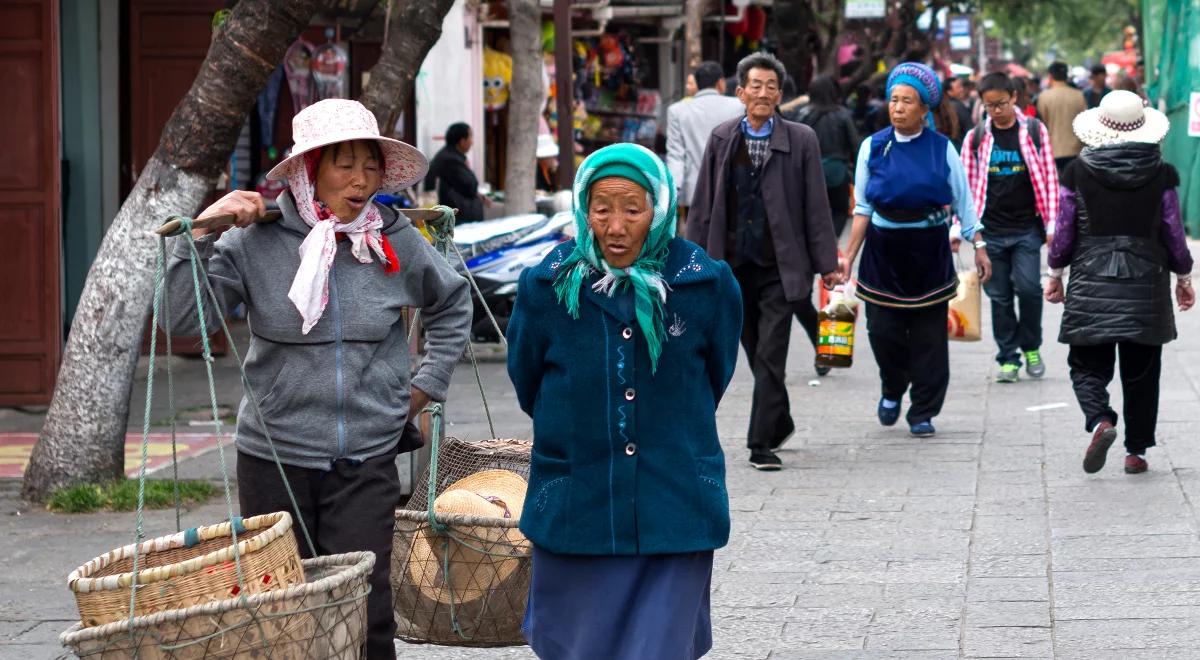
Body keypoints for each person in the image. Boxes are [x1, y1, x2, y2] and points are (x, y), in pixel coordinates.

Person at [162, 99, 472, 659]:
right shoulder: (256, 239)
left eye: (370, 166)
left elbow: (452, 304)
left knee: (366, 609)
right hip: (273, 456)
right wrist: (206, 231)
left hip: (366, 455)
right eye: (343, 165)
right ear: (310, 171)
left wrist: (424, 387)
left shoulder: (393, 238)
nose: (360, 181)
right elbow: (182, 319)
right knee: (282, 611)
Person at [507, 143, 742, 659]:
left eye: (633, 210)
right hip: (578, 504)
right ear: (582, 210)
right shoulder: (546, 287)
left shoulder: (705, 284)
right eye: (602, 209)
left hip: (673, 504)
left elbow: (714, 377)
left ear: (659, 209)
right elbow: (528, 382)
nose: (616, 227)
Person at [687, 52, 841, 470]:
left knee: (772, 354)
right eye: (755, 85)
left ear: (779, 94)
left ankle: (760, 444)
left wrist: (828, 261)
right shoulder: (722, 138)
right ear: (739, 92)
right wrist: (691, 260)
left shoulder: (801, 139)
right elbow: (703, 205)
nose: (763, 92)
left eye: (771, 86)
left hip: (782, 266)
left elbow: (816, 205)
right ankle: (782, 419)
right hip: (733, 267)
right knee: (756, 354)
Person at [1044, 90, 1194, 475]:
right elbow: (1173, 231)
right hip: (1146, 283)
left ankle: (1100, 421)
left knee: (1086, 365)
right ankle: (1136, 452)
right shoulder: (1161, 175)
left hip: (1092, 281)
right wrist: (1184, 277)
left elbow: (1063, 231)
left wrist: (1055, 274)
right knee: (1142, 371)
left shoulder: (1077, 172)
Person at [840, 62, 992, 438]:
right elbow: (862, 209)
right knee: (883, 332)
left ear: (924, 109)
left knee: (929, 339)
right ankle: (893, 388)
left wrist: (979, 244)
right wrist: (847, 257)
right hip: (883, 253)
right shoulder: (872, 147)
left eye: (907, 101)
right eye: (894, 100)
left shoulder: (941, 149)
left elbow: (963, 200)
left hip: (928, 250)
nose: (898, 107)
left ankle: (923, 409)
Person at [960, 72, 1058, 383]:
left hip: (1027, 228)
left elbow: (1050, 176)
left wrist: (1053, 222)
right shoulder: (975, 138)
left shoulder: (1033, 131)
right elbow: (964, 187)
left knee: (1029, 289)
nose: (996, 111)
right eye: (989, 106)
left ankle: (1031, 347)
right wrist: (960, 229)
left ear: (1014, 97)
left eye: (1001, 104)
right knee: (999, 297)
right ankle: (1008, 357)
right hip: (990, 233)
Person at [666, 61, 745, 222]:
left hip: (693, 193)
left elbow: (676, 156)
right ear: (721, 83)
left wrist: (673, 193)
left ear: (697, 83)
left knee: (696, 242)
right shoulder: (739, 106)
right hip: (730, 189)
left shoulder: (677, 111)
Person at [791, 75, 859, 239]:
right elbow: (855, 145)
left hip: (808, 173)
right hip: (837, 173)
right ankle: (831, 241)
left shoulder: (802, 115)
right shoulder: (842, 114)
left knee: (809, 212)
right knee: (839, 212)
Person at [424, 122, 487, 222]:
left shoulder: (448, 155)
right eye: (470, 137)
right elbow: (470, 185)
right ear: (462, 141)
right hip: (458, 220)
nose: (472, 142)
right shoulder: (451, 160)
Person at [1036, 62, 1087, 172]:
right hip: (1076, 150)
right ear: (1066, 76)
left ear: (1050, 76)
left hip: (1053, 150)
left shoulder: (1044, 97)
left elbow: (1041, 123)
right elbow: (1085, 122)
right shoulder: (1079, 95)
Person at [943, 75, 975, 148]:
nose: (962, 89)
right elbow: (969, 128)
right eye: (958, 87)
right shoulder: (957, 106)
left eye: (962, 86)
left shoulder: (945, 105)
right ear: (949, 92)